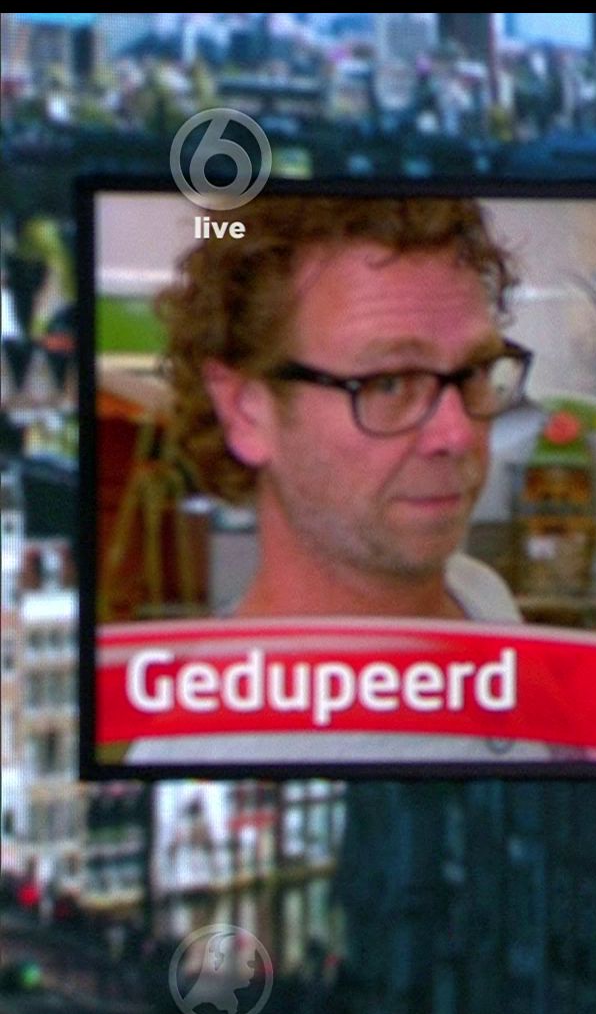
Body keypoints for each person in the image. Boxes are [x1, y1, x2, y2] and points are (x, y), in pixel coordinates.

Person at [124, 196, 535, 764]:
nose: (458, 434)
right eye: (389, 383)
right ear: (246, 411)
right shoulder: (208, 760)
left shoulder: (479, 594)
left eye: (475, 372)